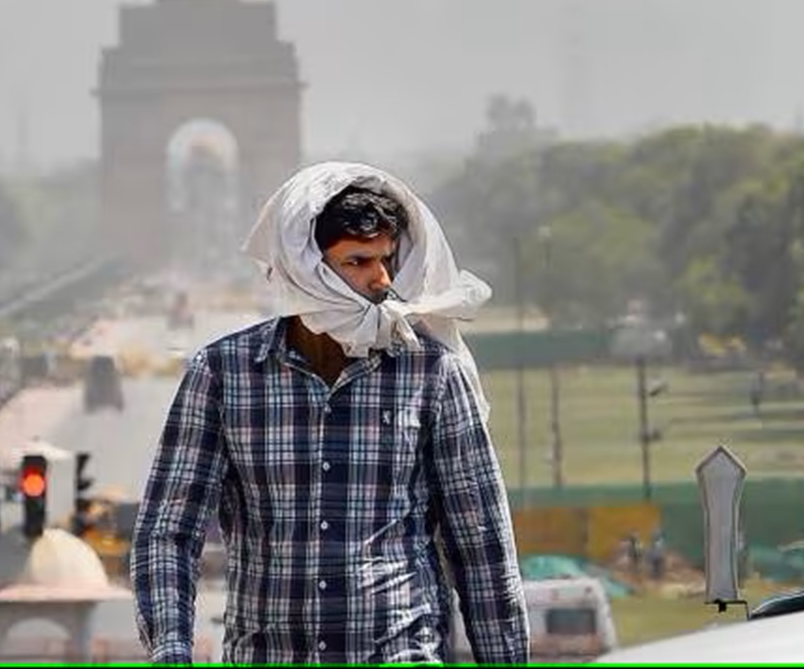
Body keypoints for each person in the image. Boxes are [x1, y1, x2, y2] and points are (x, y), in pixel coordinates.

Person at [130, 161, 530, 665]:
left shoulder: (432, 374)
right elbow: (169, 531)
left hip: (401, 652)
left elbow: (481, 546)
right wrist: (171, 650)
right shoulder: (224, 375)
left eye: (386, 260)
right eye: (357, 262)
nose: (381, 281)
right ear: (307, 268)